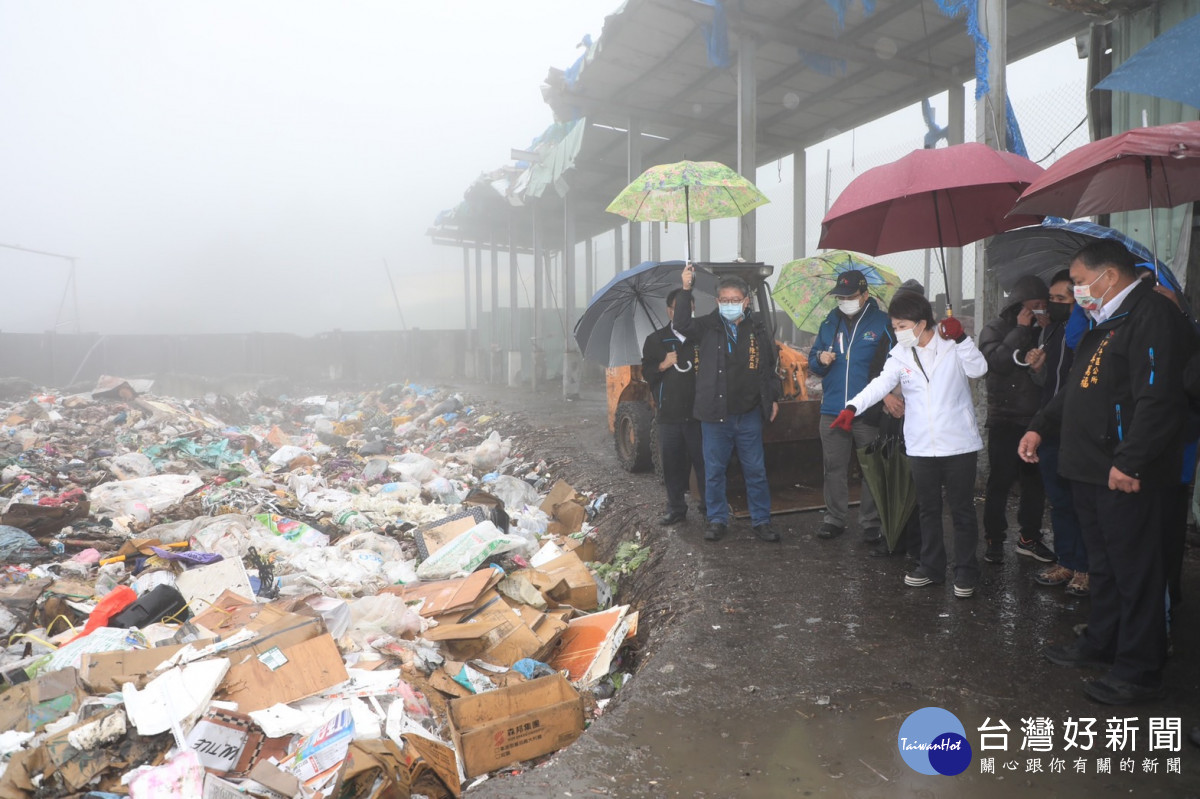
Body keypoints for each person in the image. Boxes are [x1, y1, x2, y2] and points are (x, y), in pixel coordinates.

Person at [1022, 240, 1192, 705]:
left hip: (1124, 472)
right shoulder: (1105, 322)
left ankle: (1139, 669)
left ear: (1109, 277)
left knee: (1137, 572)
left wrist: (1131, 460)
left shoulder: (1151, 317)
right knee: (1106, 566)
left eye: (1079, 283)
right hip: (1091, 469)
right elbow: (1078, 389)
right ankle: (1103, 641)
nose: (1077, 293)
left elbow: (1158, 400)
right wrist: (1040, 426)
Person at [831, 292, 988, 597]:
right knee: (928, 509)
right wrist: (852, 407)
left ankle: (966, 571)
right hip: (920, 445)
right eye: (895, 326)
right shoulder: (900, 354)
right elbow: (880, 384)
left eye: (902, 325)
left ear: (921, 322)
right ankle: (931, 566)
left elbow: (978, 369)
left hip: (958, 445)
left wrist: (962, 339)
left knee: (962, 511)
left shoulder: (950, 345)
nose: (898, 331)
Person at [674, 265, 781, 543]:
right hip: (715, 416)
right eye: (725, 301)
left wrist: (773, 398)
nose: (730, 305)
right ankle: (717, 520)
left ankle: (761, 521)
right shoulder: (707, 327)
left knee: (755, 470)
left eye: (735, 300)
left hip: (748, 415)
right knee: (714, 471)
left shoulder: (757, 328)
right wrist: (685, 291)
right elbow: (682, 325)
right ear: (718, 302)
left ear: (746, 302)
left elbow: (770, 367)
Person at [807, 270, 893, 543]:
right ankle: (834, 518)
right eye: (840, 296)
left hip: (867, 410)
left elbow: (893, 364)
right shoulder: (829, 322)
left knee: (871, 467)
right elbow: (812, 360)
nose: (844, 300)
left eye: (850, 296)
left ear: (865, 295)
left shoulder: (882, 323)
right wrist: (820, 358)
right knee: (833, 466)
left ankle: (870, 521)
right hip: (832, 407)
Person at [977, 275, 1054, 565]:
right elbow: (995, 361)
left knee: (1034, 483)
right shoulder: (996, 328)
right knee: (1000, 481)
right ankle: (994, 538)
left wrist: (1047, 333)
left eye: (1044, 306)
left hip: (1035, 420)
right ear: (1019, 306)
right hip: (1005, 419)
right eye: (1035, 306)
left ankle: (1029, 537)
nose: (1040, 311)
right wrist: (1021, 331)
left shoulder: (1046, 330)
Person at [1027, 270, 1089, 595]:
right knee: (1060, 500)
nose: (1053, 305)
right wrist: (1037, 367)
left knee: (1083, 501)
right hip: (1049, 427)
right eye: (1051, 299)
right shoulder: (1049, 332)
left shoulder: (1091, 332)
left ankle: (1086, 568)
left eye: (1061, 300)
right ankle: (1066, 560)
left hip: (1079, 429)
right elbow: (1044, 383)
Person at [641, 288, 706, 526]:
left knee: (703, 463)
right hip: (669, 416)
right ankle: (676, 508)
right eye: (678, 308)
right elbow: (646, 372)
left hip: (699, 415)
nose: (683, 312)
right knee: (673, 464)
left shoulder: (701, 337)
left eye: (687, 308)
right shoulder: (655, 340)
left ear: (692, 310)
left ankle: (709, 507)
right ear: (670, 311)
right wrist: (663, 364)